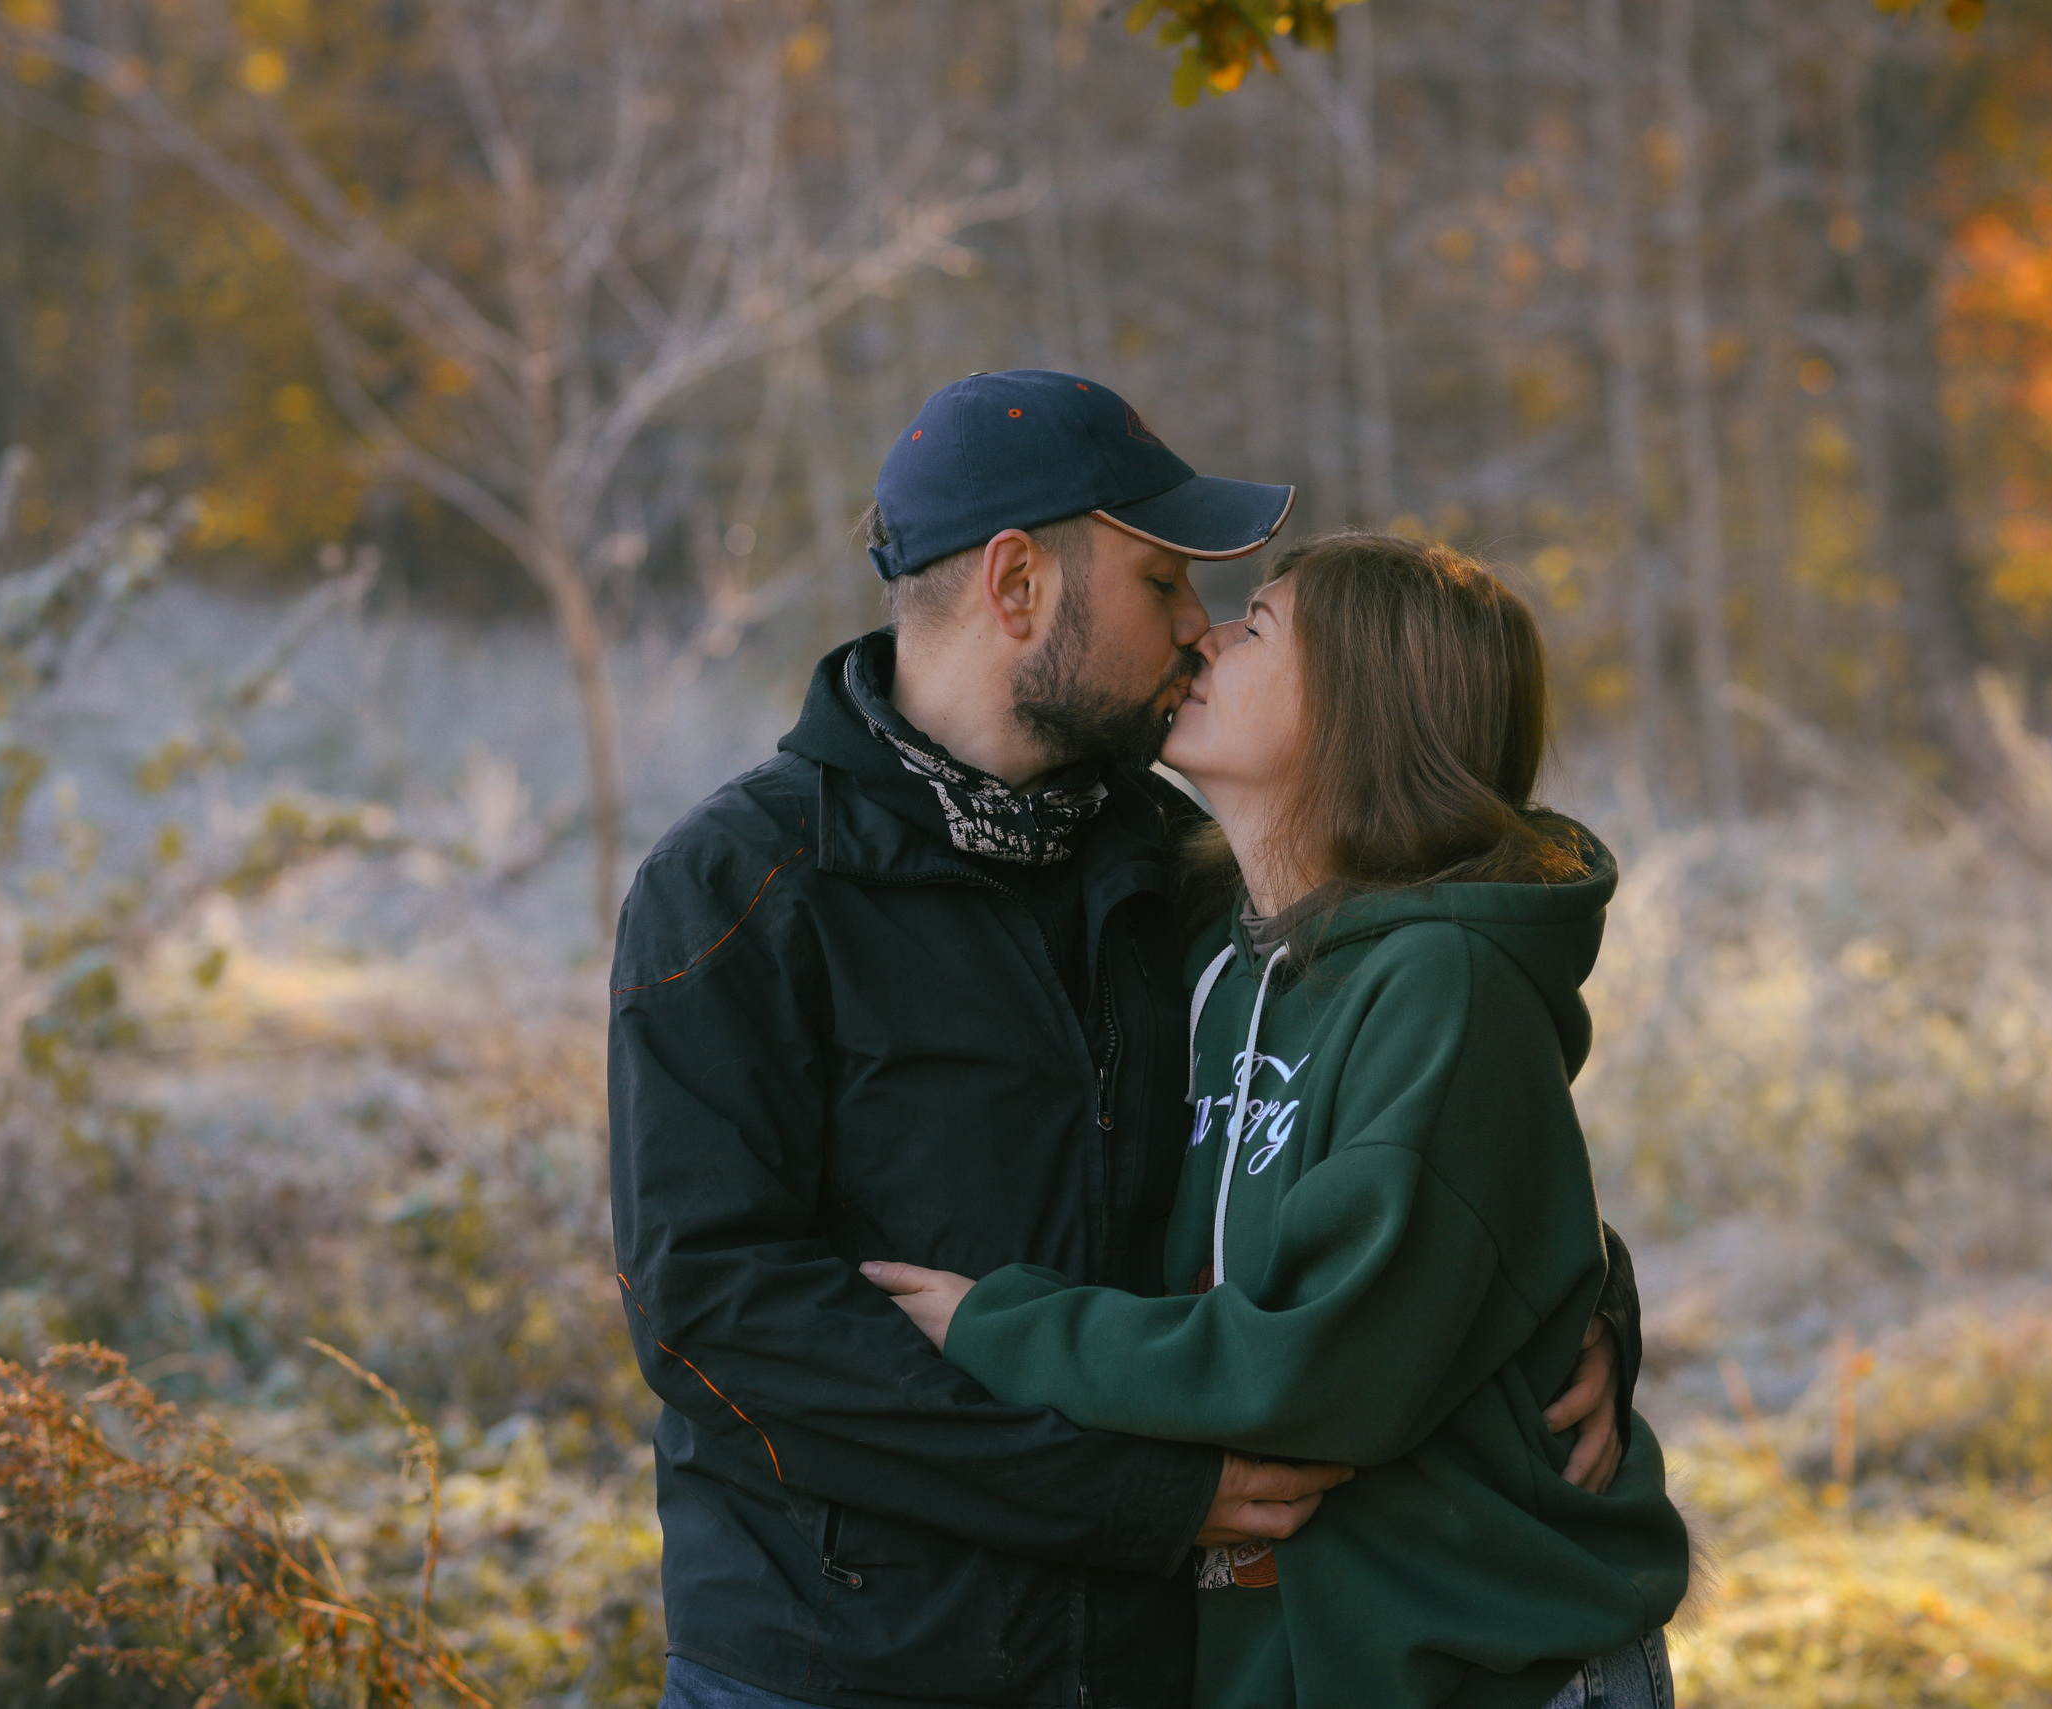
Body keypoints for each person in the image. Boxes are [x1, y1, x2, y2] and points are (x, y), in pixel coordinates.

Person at [609, 371, 1642, 1709]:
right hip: (840, 1663)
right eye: (1161, 582)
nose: (1197, 625)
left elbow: (1407, 1145)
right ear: (1017, 584)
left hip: (1144, 1664)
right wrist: (1131, 1493)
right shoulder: (740, 888)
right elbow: (716, 1310)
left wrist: (1580, 1302)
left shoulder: (1186, 869)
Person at [863, 533, 1691, 1709]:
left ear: (1363, 705)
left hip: (1492, 1665)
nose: (1201, 635)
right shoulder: (1209, 952)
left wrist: (1001, 1328)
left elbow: (1325, 1363)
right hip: (1287, 1659)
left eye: (1256, 626)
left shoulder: (1444, 982)